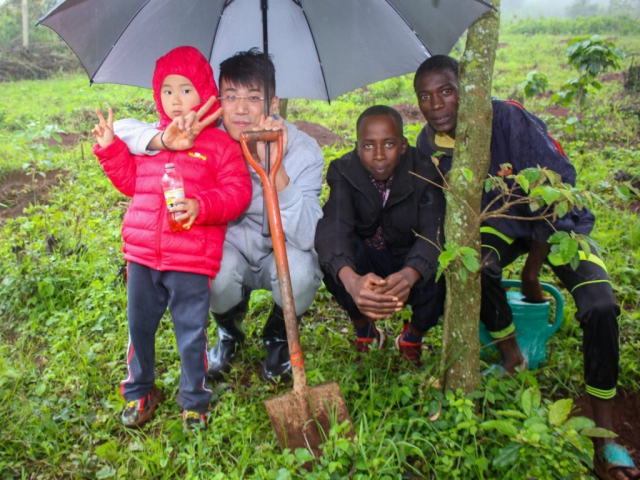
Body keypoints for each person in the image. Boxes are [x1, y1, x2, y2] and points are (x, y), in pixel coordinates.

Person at [414, 54, 639, 480]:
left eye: (446, 91)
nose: (436, 105)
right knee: (475, 265)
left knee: (601, 305)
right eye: (425, 97)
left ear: (468, 89)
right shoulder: (429, 144)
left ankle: (605, 436)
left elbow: (558, 187)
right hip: (499, 223)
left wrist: (534, 274)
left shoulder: (509, 118)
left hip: (559, 224)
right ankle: (512, 355)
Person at [114, 49, 324, 382]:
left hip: (281, 252)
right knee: (209, 274)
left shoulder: (303, 149)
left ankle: (278, 336)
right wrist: (162, 139)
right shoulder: (203, 137)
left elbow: (311, 235)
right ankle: (229, 331)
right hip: (229, 249)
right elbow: (122, 129)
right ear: (216, 99)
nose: (241, 108)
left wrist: (278, 174)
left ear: (273, 103)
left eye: (254, 97)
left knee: (299, 273)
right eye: (231, 96)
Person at [92, 46, 252, 429]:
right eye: (167, 90)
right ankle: (138, 392)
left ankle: (194, 400)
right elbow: (130, 182)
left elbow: (237, 194)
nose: (176, 100)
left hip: (191, 260)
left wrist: (202, 206)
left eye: (185, 89)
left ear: (204, 92)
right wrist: (109, 148)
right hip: (143, 255)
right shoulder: (152, 141)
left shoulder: (219, 146)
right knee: (139, 328)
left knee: (191, 333)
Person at [315, 105, 445, 363]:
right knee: (332, 260)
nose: (378, 155)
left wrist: (411, 273)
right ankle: (365, 329)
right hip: (369, 260)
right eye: (368, 146)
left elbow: (434, 229)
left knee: (442, 268)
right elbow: (336, 225)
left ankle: (414, 334)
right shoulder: (343, 170)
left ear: (404, 145)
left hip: (410, 257)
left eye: (388, 144)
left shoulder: (425, 169)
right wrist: (351, 281)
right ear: (357, 146)